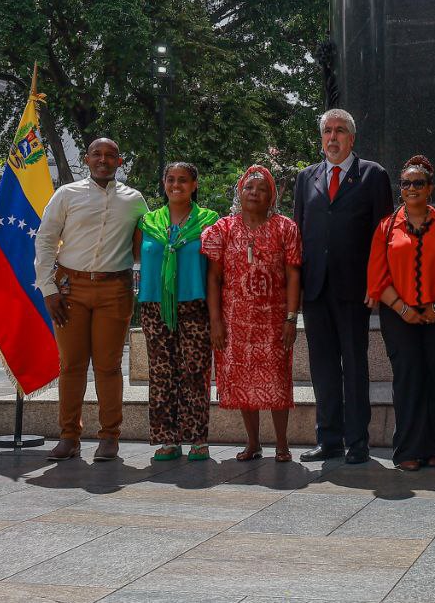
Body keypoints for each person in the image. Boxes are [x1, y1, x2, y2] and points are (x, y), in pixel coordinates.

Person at [35, 138, 149, 462]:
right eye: (97, 154)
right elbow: (45, 240)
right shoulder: (66, 195)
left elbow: (149, 243)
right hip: (70, 289)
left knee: (108, 367)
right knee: (71, 366)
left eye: (110, 155)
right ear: (86, 159)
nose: (103, 160)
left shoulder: (135, 200)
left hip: (115, 290)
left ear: (119, 160)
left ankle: (109, 437)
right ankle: (69, 436)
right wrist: (48, 289)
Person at [293, 109, 393, 464]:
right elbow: (298, 234)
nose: (332, 138)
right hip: (316, 289)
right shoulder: (306, 178)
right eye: (327, 131)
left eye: (339, 131)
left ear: (352, 138)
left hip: (355, 290)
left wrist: (377, 282)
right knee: (322, 367)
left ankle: (358, 441)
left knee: (354, 365)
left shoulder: (372, 175)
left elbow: (385, 235)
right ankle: (329, 438)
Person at [367, 156, 435, 471]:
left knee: (433, 378)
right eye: (406, 183)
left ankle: (430, 448)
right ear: (401, 190)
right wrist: (402, 308)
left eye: (418, 183)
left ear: (430, 189)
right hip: (399, 317)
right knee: (408, 377)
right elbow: (376, 277)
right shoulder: (386, 228)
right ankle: (407, 450)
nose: (412, 188)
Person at [203, 165, 302, 462]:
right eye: (249, 188)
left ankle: (282, 444)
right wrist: (216, 321)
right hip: (236, 320)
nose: (254, 193)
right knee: (244, 380)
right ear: (240, 192)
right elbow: (214, 279)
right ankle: (253, 443)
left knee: (276, 379)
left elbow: (293, 275)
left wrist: (290, 318)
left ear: (271, 195)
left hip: (272, 319)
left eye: (261, 189)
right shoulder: (223, 229)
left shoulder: (285, 228)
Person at [134, 162, 219, 462]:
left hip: (194, 305)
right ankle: (167, 440)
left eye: (183, 180)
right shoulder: (147, 222)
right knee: (161, 373)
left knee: (195, 372)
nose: (176, 185)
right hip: (155, 305)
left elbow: (216, 269)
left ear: (194, 185)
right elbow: (136, 255)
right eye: (171, 179)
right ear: (163, 183)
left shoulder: (209, 221)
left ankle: (198, 438)